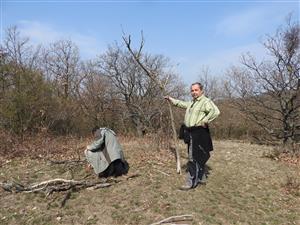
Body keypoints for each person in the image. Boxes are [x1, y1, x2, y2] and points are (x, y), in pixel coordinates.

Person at [165, 82, 220, 190]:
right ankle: (202, 178)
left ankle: (190, 182)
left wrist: (205, 120)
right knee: (197, 155)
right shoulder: (192, 102)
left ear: (201, 91)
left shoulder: (205, 101)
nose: (194, 92)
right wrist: (171, 100)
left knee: (193, 157)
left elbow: (215, 111)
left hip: (199, 133)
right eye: (192, 90)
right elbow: (182, 104)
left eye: (196, 90)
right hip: (190, 133)